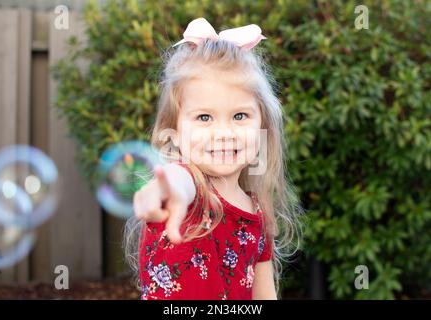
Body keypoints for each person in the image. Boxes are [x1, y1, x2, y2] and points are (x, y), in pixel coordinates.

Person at [124, 17, 303, 300]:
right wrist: (165, 188)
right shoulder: (187, 187)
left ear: (262, 125)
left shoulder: (257, 212)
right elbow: (179, 181)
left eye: (240, 116)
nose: (224, 133)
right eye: (204, 117)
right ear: (175, 130)